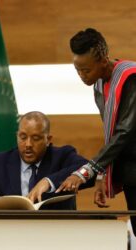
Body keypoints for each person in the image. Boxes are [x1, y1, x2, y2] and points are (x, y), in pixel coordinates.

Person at [56, 28, 136, 235]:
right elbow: (111, 135)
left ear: (103, 60)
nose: (82, 76)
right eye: (78, 70)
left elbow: (124, 132)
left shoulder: (131, 78)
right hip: (130, 173)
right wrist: (102, 177)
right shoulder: (99, 84)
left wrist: (86, 172)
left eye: (86, 70)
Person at [0, 111, 94, 210]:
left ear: (48, 140)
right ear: (17, 136)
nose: (28, 144)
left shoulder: (62, 156)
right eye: (23, 137)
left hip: (55, 235)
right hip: (10, 237)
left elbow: (89, 169)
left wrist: (48, 181)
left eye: (35, 138)